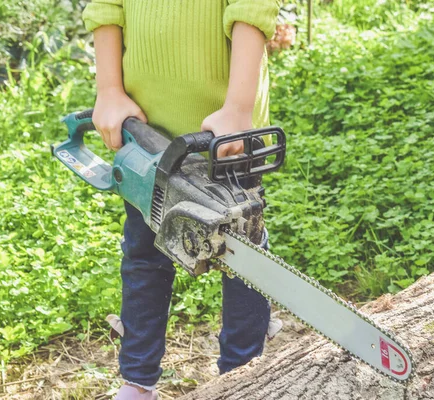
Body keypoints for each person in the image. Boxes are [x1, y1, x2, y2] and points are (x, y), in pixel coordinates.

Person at [81, 1, 281, 399]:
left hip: (226, 138)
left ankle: (241, 377)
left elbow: (252, 8)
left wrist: (239, 109)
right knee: (143, 252)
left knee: (241, 251)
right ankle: (138, 378)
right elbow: (105, 7)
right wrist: (109, 90)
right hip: (147, 130)